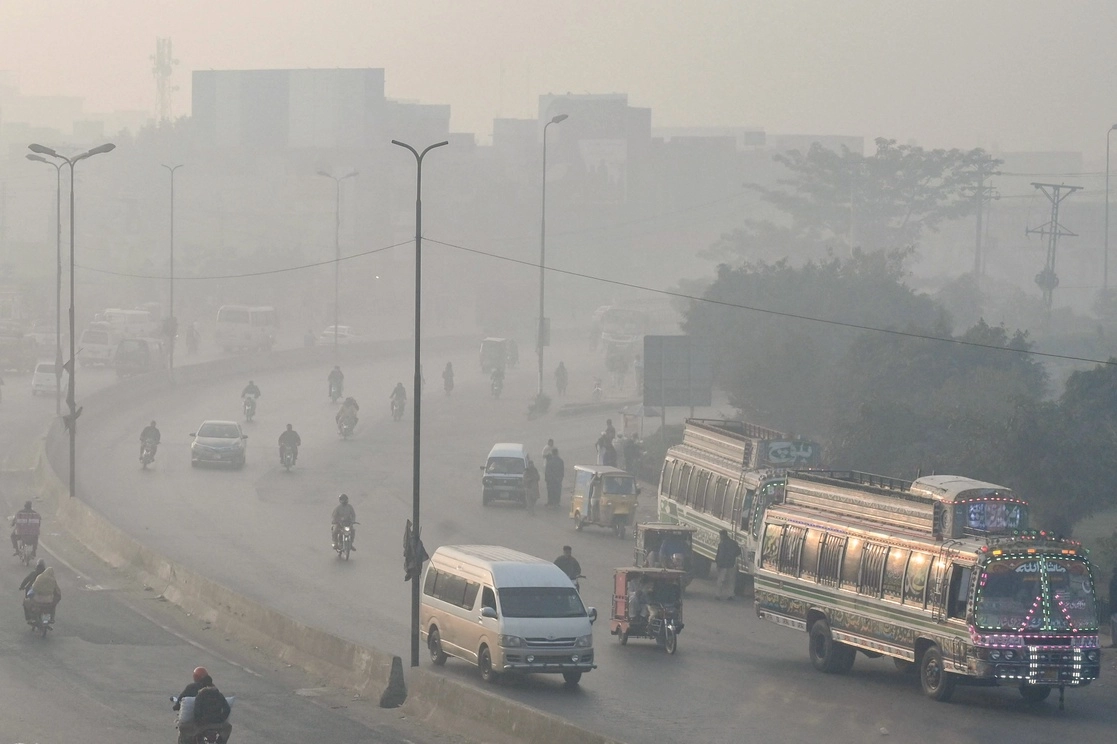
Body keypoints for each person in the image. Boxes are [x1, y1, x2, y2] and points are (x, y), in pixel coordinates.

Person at [174, 667, 232, 744]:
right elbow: (227, 709)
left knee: (183, 729)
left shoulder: (198, 692)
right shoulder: (218, 693)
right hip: (217, 724)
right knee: (227, 729)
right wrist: (220, 719)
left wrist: (199, 722)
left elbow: (196, 711)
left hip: (202, 724)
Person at [715, 529, 742, 600]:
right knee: (731, 580)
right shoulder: (733, 543)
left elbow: (719, 555)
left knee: (721, 580)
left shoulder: (721, 544)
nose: (720, 537)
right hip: (731, 564)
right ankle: (730, 595)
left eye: (720, 535)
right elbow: (739, 552)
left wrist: (718, 563)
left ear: (723, 535)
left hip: (723, 565)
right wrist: (732, 556)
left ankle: (718, 595)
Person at [1109, 567, 1117, 647]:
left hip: (1114, 607)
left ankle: (1115, 643)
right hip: (1114, 606)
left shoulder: (1113, 581)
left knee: (1115, 626)